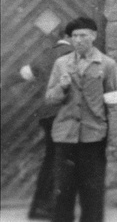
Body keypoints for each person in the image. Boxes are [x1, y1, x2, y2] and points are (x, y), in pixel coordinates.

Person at [45, 16, 117, 222]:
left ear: (94, 36)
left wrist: (115, 139)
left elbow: (113, 104)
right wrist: (62, 87)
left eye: (83, 35)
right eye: (75, 36)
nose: (78, 40)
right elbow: (50, 99)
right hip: (65, 136)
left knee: (92, 194)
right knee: (63, 193)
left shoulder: (107, 64)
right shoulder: (61, 63)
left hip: (93, 137)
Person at [19, 24, 72, 220]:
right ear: (69, 35)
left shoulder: (46, 53)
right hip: (65, 113)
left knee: (51, 158)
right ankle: (53, 207)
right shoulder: (72, 54)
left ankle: (39, 208)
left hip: (47, 114)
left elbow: (26, 74)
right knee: (63, 160)